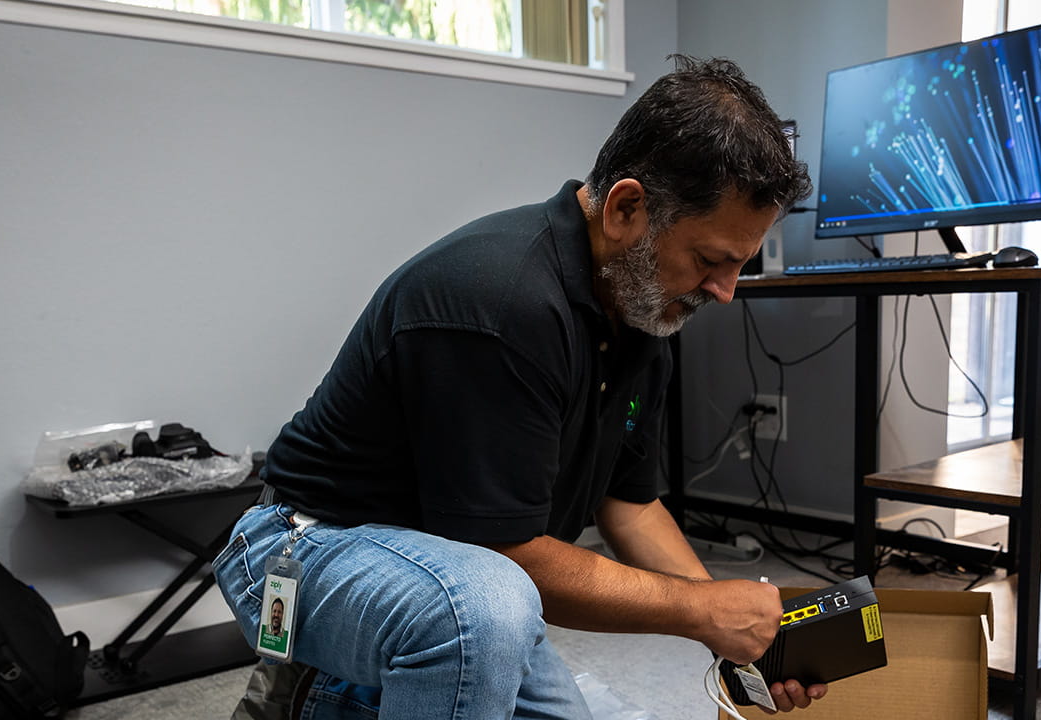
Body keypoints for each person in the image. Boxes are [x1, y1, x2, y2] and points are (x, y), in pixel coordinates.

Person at [214, 55, 821, 719]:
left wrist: (732, 633)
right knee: (485, 613)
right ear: (626, 208)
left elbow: (630, 506)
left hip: (455, 582)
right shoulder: (504, 302)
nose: (726, 292)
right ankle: (306, 687)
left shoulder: (643, 316)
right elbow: (505, 555)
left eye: (739, 265)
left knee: (497, 626)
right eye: (711, 261)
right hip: (299, 552)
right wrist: (699, 610)